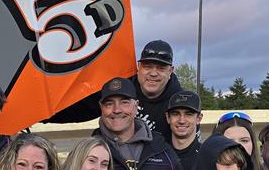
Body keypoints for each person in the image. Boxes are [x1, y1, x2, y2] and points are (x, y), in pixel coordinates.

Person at [49, 40, 184, 143]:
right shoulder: (120, 86)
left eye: (161, 68)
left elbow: (185, 145)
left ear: (170, 71)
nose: (153, 73)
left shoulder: (179, 103)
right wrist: (44, 115)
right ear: (138, 67)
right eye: (147, 66)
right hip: (115, 155)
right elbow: (82, 108)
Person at [166, 90, 202, 170]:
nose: (181, 120)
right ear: (168, 118)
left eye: (188, 114)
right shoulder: (157, 156)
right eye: (175, 114)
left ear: (198, 118)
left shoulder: (207, 157)